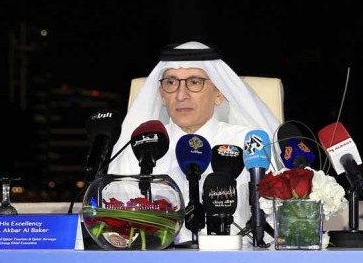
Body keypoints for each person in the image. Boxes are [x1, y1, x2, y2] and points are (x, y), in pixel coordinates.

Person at [111, 41, 280, 240]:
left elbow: (274, 219)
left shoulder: (249, 144)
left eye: (195, 82)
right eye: (171, 83)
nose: (181, 95)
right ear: (162, 96)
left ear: (218, 93)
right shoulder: (141, 147)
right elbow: (120, 223)